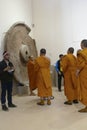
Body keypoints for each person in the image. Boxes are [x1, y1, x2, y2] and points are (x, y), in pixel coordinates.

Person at [76, 39, 87, 112]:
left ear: (82, 44)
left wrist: (77, 71)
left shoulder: (82, 53)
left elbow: (81, 64)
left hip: (84, 72)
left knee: (85, 89)